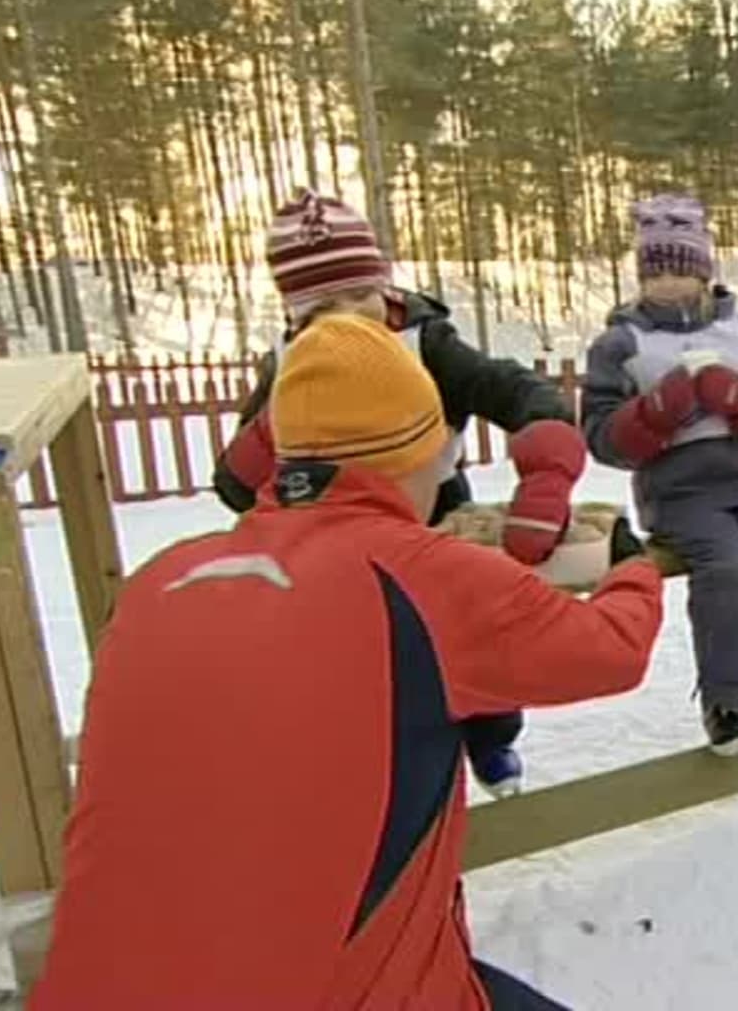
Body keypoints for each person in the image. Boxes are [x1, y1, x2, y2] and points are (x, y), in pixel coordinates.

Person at [34, 312, 665, 1010]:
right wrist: (631, 569)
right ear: (417, 458)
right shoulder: (425, 576)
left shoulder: (158, 582)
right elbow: (612, 650)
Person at [212, 188, 581, 799]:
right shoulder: (292, 364)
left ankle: (491, 736)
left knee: (476, 623)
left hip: (434, 504)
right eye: (324, 306)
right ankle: (381, 756)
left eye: (361, 294)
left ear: (384, 286)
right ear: (294, 314)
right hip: (336, 528)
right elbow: (235, 485)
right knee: (376, 649)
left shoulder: (425, 342)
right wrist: (271, 430)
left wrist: (546, 471)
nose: (350, 316)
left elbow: (518, 392)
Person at [580, 193, 738, 756]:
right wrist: (657, 410)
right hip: (678, 492)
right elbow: (600, 438)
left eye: (679, 270)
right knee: (735, 570)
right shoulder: (621, 344)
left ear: (704, 272)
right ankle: (727, 702)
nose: (666, 284)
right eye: (654, 273)